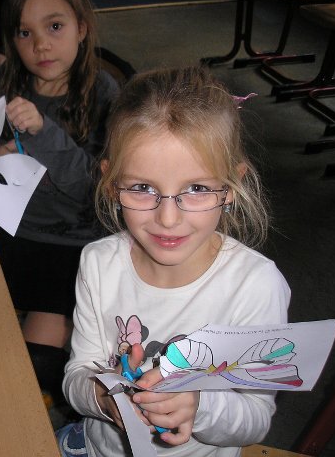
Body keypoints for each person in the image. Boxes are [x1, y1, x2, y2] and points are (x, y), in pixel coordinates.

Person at [58, 66, 291, 456]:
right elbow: (77, 374)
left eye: (196, 188)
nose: (167, 218)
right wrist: (102, 396)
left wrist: (200, 406)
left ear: (231, 187)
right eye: (142, 187)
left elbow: (256, 417)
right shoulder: (98, 263)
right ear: (111, 184)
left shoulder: (255, 285)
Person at [0, 0, 119, 404]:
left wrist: (44, 134)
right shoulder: (10, 81)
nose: (41, 44)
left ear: (82, 28)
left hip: (71, 243)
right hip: (8, 229)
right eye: (25, 33)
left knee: (31, 364)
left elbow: (95, 190)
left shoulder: (104, 94)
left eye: (55, 27)